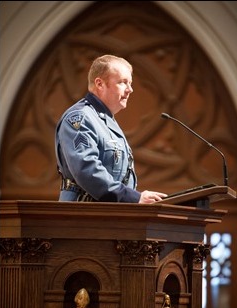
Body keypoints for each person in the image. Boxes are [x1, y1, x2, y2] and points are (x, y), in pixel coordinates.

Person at [55, 54, 167, 203]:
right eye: (123, 82)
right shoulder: (80, 118)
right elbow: (86, 169)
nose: (130, 89)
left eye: (130, 83)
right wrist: (134, 198)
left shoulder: (103, 120)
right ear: (100, 84)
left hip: (109, 215)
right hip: (83, 216)